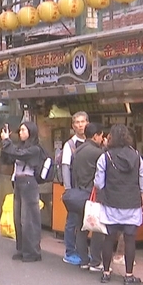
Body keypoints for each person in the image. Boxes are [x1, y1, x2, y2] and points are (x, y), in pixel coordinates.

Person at [94, 124, 143, 284]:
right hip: (132, 204)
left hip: (111, 202)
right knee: (130, 239)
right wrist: (142, 201)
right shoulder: (136, 157)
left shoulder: (105, 157)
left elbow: (99, 182)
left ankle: (106, 272)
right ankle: (128, 275)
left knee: (109, 238)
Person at [0, 121, 44, 262]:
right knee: (18, 218)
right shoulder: (19, 147)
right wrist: (5, 144)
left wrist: (7, 141)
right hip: (18, 182)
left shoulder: (35, 149)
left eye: (24, 130)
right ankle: (22, 249)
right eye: (20, 130)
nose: (21, 133)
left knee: (29, 218)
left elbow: (20, 154)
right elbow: (7, 159)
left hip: (29, 182)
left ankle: (33, 252)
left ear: (31, 132)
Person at [69, 122, 105, 270]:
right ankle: (95, 261)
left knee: (81, 227)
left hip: (79, 192)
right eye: (102, 136)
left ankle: (83, 259)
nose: (102, 139)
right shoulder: (98, 153)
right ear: (96, 136)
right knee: (97, 227)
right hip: (93, 195)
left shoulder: (78, 150)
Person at [60, 111, 89, 265]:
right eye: (77, 122)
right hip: (74, 190)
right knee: (72, 221)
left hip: (88, 190)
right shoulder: (69, 145)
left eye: (82, 122)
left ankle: (82, 251)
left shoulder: (91, 142)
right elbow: (65, 167)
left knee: (85, 222)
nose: (80, 125)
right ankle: (70, 251)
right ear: (73, 126)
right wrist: (68, 190)